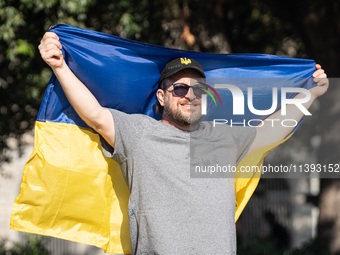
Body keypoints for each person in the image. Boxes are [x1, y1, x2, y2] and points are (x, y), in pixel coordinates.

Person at [38, 32, 328, 255]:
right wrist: (60, 65)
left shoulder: (224, 136)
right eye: (180, 88)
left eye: (198, 89)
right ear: (163, 97)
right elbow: (95, 116)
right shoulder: (138, 133)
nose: (190, 95)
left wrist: (311, 94)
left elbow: (269, 132)